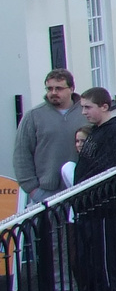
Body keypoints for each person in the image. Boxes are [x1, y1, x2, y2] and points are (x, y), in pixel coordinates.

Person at [73, 87, 116, 291]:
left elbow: (105, 167)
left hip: (106, 206)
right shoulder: (97, 132)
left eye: (88, 107)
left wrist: (80, 191)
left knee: (105, 258)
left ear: (104, 107)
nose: (84, 112)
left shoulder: (115, 133)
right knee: (90, 257)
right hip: (90, 206)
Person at [12, 69, 89, 209]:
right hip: (46, 192)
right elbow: (21, 154)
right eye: (50, 88)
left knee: (82, 230)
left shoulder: (85, 113)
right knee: (51, 231)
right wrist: (32, 190)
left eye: (58, 88)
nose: (53, 92)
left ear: (71, 89)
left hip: (82, 186)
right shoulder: (33, 117)